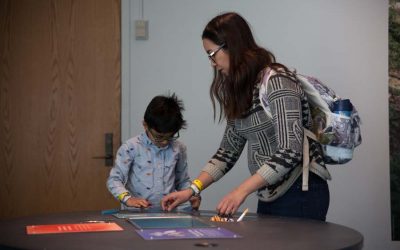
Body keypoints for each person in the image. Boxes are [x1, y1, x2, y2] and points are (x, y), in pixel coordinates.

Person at [161, 12, 331, 221]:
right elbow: (228, 151)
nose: (212, 63)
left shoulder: (278, 81)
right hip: (268, 193)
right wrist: (192, 190)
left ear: (231, 45)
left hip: (300, 192)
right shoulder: (243, 90)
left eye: (212, 54)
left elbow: (290, 151)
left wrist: (240, 191)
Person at [107, 93, 200, 211]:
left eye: (170, 137)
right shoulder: (131, 147)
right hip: (137, 213)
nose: (165, 142)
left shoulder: (178, 148)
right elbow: (114, 180)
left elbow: (182, 181)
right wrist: (127, 198)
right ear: (145, 125)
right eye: (159, 137)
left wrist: (192, 195)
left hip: (169, 212)